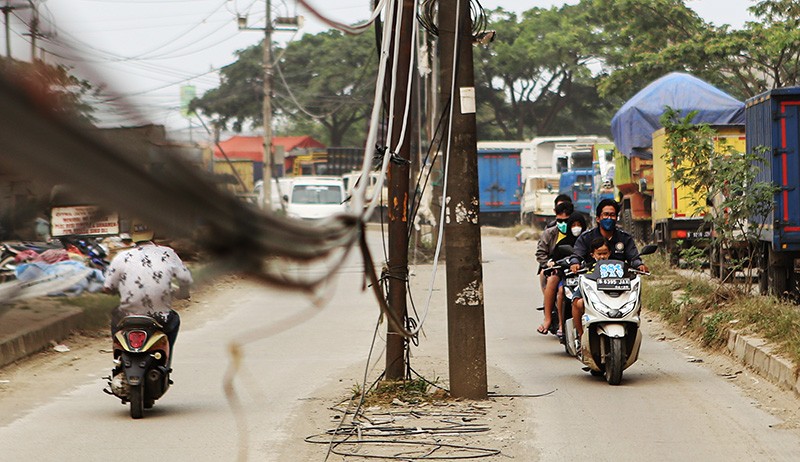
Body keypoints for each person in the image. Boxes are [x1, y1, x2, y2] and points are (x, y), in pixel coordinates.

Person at [103, 225, 192, 366]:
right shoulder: (167, 253)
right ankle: (165, 362)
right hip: (160, 318)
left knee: (115, 319)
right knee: (174, 320)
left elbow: (108, 287)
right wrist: (183, 293)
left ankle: (118, 359)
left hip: (127, 317)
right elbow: (185, 279)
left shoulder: (122, 257)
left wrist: (116, 290)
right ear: (153, 235)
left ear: (132, 236)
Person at [535, 201, 575, 335]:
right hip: (557, 269)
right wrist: (548, 263)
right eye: (560, 221)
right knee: (553, 282)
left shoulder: (579, 233)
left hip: (576, 270)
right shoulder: (549, 233)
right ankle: (548, 319)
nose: (563, 224)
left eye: (566, 220)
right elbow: (540, 253)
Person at [571, 236, 612, 337]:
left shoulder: (616, 267)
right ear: (592, 254)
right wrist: (576, 267)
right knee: (577, 302)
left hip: (611, 295)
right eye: (599, 254)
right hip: (592, 293)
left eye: (605, 253)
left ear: (609, 253)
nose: (602, 257)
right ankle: (581, 334)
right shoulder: (587, 267)